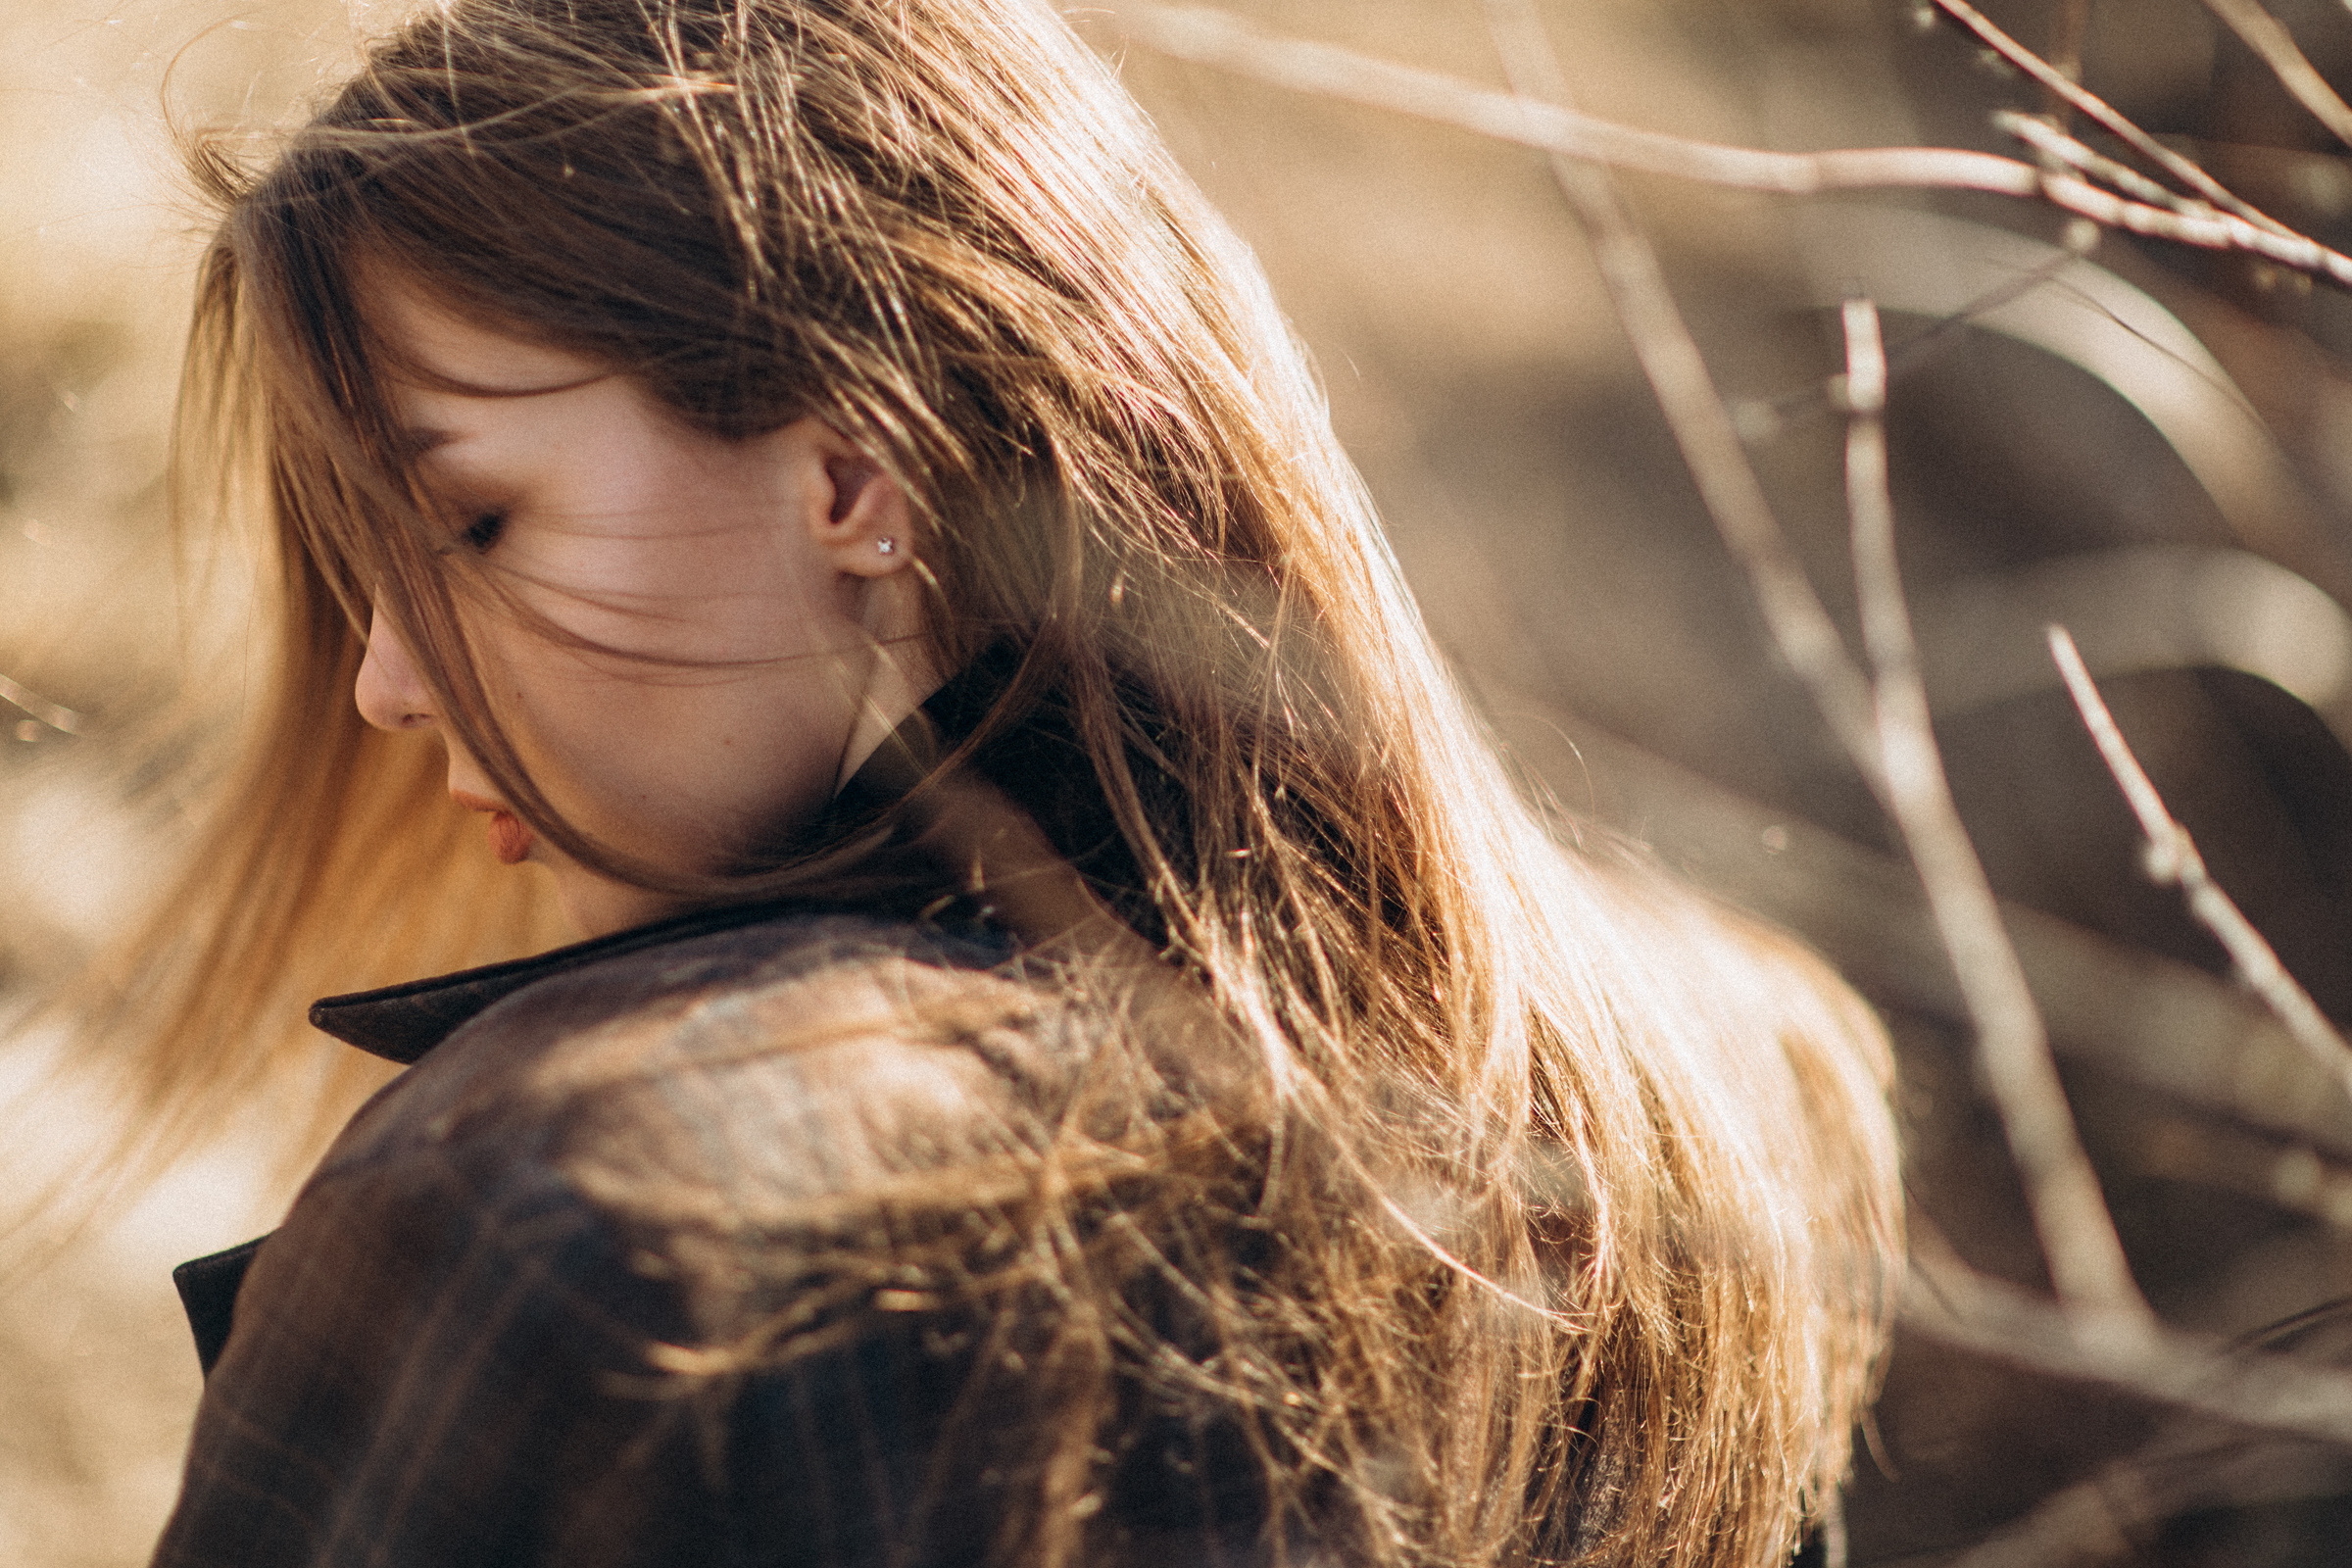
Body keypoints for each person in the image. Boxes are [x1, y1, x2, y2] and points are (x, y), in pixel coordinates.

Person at [98, 0, 1903, 1563]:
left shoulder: (580, 1219)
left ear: (856, 478)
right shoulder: (1729, 1086)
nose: (386, 685)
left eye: (468, 524)